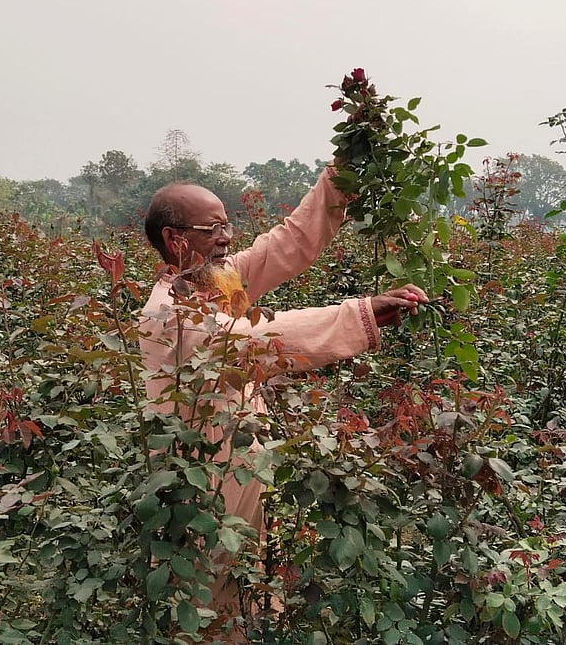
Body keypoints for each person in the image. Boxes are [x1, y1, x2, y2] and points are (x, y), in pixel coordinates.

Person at [138, 165, 426, 628]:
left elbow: (286, 244)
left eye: (228, 224)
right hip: (199, 482)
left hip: (241, 468)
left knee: (249, 583)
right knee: (205, 595)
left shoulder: (217, 282)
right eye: (213, 229)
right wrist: (360, 316)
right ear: (175, 240)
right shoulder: (168, 315)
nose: (227, 237)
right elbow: (253, 340)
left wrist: (342, 176)